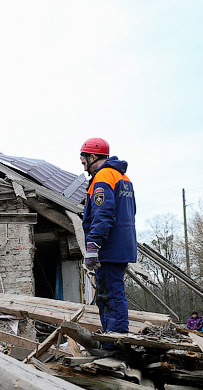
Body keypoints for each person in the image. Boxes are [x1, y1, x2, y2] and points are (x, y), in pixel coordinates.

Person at [80, 138, 137, 350]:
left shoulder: (103, 177)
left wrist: (94, 244)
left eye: (84, 159)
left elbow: (103, 213)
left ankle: (115, 344)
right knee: (110, 294)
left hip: (109, 247)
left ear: (93, 156)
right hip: (121, 245)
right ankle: (111, 339)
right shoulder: (123, 177)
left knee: (110, 295)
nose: (83, 164)